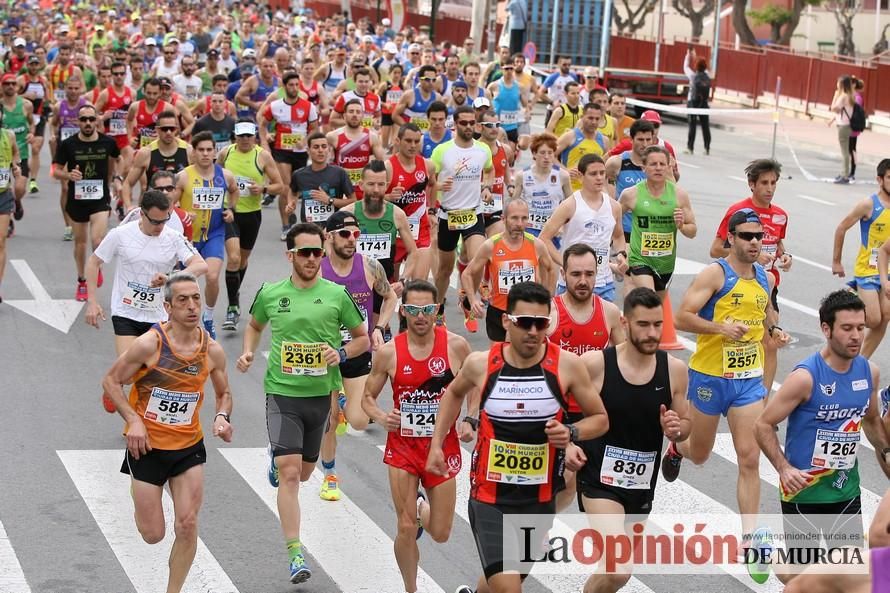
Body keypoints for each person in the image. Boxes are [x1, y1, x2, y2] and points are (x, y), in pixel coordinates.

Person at [428, 281, 609, 593]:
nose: (533, 332)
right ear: (506, 321)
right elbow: (452, 395)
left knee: (507, 580)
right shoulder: (481, 363)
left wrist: (571, 433)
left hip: (538, 499)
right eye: (525, 323)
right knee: (509, 587)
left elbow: (600, 418)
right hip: (489, 496)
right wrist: (436, 444)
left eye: (541, 324)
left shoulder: (567, 365)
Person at [237, 223, 369, 584]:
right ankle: (295, 553)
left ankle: (280, 460)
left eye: (316, 252)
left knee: (307, 472)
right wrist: (249, 350)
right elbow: (253, 325)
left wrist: (339, 353)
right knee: (291, 474)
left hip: (320, 398)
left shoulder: (336, 295)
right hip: (282, 394)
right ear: (290, 255)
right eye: (304, 253)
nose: (312, 259)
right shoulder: (270, 293)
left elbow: (363, 340)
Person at [662, 208, 791, 541]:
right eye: (746, 236)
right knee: (700, 453)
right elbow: (681, 318)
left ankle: (749, 536)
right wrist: (721, 328)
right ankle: (677, 449)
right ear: (731, 238)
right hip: (709, 378)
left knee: (749, 457)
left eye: (758, 236)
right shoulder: (714, 275)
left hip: (747, 381)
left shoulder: (766, 277)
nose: (754, 242)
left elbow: (766, 310)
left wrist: (774, 330)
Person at [100, 273, 233, 593]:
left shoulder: (212, 350)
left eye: (196, 298)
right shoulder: (150, 344)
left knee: (187, 524)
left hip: (188, 447)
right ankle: (139, 489)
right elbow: (111, 381)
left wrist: (221, 417)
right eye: (183, 300)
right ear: (168, 307)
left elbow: (224, 392)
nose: (192, 306)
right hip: (146, 448)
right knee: (153, 534)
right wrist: (133, 420)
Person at [754, 290, 890, 584]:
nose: (856, 336)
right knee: (803, 580)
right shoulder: (805, 378)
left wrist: (887, 452)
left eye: (860, 328)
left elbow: (870, 421)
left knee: (848, 578)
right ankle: (768, 552)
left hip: (845, 492)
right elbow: (763, 425)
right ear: (826, 329)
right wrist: (784, 468)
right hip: (803, 493)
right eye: (847, 328)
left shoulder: (870, 373)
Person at [576, 287, 690, 593]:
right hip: (598, 481)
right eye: (643, 325)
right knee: (619, 567)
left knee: (615, 573)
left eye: (657, 324)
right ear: (625, 323)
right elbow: (565, 410)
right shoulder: (596, 364)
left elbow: (686, 426)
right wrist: (571, 443)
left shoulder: (675, 371)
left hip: (640, 485)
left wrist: (676, 429)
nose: (652, 333)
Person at [362, 279, 472, 593]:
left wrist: (471, 418)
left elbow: (476, 382)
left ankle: (423, 506)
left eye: (427, 309)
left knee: (440, 532)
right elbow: (367, 397)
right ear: (404, 310)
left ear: (437, 310)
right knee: (406, 526)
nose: (420, 316)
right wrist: (384, 417)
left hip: (442, 447)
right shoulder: (389, 353)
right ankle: (411, 589)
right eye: (413, 309)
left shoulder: (455, 346)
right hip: (403, 448)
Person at [86, 188, 207, 412]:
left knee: (152, 371)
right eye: (155, 221)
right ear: (142, 214)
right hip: (126, 312)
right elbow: (94, 262)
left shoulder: (172, 237)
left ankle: (140, 419)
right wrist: (92, 302)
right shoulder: (120, 235)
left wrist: (171, 278)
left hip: (159, 316)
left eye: (165, 220)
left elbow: (201, 265)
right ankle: (113, 383)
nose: (160, 227)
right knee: (131, 374)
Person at [317, 209, 398, 500]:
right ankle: (329, 475)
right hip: (324, 354)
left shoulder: (369, 266)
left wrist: (380, 327)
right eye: (345, 234)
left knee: (360, 421)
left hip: (357, 348)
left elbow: (390, 297)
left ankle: (342, 400)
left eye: (356, 234)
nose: (352, 240)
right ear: (329, 237)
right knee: (329, 419)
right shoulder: (316, 268)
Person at [712, 159, 791, 397]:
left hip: (767, 286)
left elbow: (778, 245)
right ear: (751, 184)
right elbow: (715, 249)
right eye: (764, 183)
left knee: (771, 343)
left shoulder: (780, 216)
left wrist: (785, 256)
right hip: (737, 285)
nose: (769, 188)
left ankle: (763, 403)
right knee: (738, 341)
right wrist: (751, 257)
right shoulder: (738, 212)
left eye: (773, 183)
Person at [169, 131, 239, 339]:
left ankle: (208, 317)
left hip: (214, 233)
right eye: (201, 150)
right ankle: (176, 321)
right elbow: (171, 204)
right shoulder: (183, 177)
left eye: (210, 150)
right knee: (182, 282)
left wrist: (230, 209)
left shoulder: (225, 175)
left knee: (212, 275)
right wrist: (183, 213)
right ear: (194, 152)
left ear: (215, 152)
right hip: (187, 238)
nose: (206, 154)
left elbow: (234, 191)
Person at [217, 119, 286, 331]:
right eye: (241, 136)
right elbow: (214, 177)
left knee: (243, 259)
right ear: (235, 136)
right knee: (234, 258)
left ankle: (234, 291)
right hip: (231, 212)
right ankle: (233, 306)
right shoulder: (226, 154)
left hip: (252, 214)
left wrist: (263, 189)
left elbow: (280, 185)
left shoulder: (262, 155)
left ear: (254, 136)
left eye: (249, 136)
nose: (245, 140)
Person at [430, 105, 494, 326]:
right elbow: (430, 181)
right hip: (448, 215)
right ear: (455, 124)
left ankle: (469, 300)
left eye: (471, 123)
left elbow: (490, 170)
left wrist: (486, 187)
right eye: (463, 123)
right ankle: (437, 309)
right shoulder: (442, 151)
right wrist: (438, 185)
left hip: (473, 214)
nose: (468, 127)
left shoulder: (483, 149)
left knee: (479, 261)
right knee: (444, 269)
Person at [52, 104, 121, 301]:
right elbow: (55, 170)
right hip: (77, 200)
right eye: (84, 120)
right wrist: (67, 174)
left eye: (91, 119)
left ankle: (95, 266)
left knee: (98, 240)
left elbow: (119, 159)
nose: (88, 123)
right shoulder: (68, 144)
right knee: (81, 243)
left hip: (100, 198)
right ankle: (82, 279)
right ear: (78, 122)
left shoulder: (108, 142)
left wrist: (116, 178)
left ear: (97, 120)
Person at [461, 198, 555, 342]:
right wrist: (473, 300)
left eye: (524, 218)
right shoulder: (491, 246)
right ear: (503, 219)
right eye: (514, 218)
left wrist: (548, 298)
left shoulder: (536, 245)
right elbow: (467, 274)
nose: (519, 223)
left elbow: (550, 269)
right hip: (499, 312)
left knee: (527, 358)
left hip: (528, 313)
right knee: (498, 359)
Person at [541, 153, 627, 302]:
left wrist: (621, 254)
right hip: (572, 283)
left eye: (602, 173)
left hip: (603, 283)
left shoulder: (614, 206)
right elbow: (544, 238)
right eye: (593, 174)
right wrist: (565, 263)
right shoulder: (570, 205)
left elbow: (618, 236)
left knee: (603, 325)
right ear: (581, 176)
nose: (599, 178)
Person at [619, 146, 696, 298]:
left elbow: (692, 231)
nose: (658, 168)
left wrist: (681, 226)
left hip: (665, 263)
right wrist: (620, 247)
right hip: (639, 259)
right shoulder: (631, 194)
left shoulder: (679, 195)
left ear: (669, 167)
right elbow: (612, 219)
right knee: (650, 297)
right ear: (643, 168)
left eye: (662, 164)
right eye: (653, 164)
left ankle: (631, 319)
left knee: (655, 312)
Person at [257, 71, 319, 240]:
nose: (294, 88)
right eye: (290, 85)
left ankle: (293, 213)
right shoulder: (275, 105)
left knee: (297, 188)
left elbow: (314, 128)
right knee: (285, 187)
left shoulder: (308, 106)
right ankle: (286, 225)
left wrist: (305, 140)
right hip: (281, 150)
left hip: (300, 152)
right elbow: (262, 125)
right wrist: (264, 142)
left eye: (296, 85)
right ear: (284, 87)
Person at [386, 123, 437, 284]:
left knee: (418, 284)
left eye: (416, 141)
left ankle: (415, 307)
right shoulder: (388, 167)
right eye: (408, 141)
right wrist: (388, 197)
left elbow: (433, 185)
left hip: (419, 229)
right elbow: (373, 196)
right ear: (397, 141)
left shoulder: (428, 165)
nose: (413, 145)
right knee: (392, 286)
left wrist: (431, 210)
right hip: (394, 230)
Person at [121, 110, 191, 212]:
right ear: (157, 130)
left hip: (181, 210)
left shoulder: (189, 151)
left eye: (172, 129)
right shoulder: (146, 153)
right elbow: (128, 183)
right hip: (155, 209)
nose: (168, 132)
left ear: (177, 129)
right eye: (164, 129)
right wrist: (128, 206)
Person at [286, 131, 355, 232]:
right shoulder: (299, 174)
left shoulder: (339, 173)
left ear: (329, 150)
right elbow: (292, 192)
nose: (320, 150)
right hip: (308, 229)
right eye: (316, 147)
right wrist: (290, 204)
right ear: (308, 150)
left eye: (324, 146)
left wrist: (329, 200)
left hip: (334, 228)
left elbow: (353, 200)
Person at [510, 133, 572, 241]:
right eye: (542, 153)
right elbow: (513, 204)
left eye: (550, 153)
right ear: (534, 154)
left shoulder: (563, 176)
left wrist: (562, 226)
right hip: (529, 229)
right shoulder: (522, 175)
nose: (546, 157)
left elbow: (571, 205)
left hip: (553, 230)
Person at [326, 98, 386, 200]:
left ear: (362, 116)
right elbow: (325, 164)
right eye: (351, 111)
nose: (354, 115)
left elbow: (381, 165)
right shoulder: (332, 136)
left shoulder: (372, 137)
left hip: (362, 187)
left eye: (358, 112)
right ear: (344, 116)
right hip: (341, 187)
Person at [605, 119, 655, 242]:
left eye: (648, 140)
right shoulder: (617, 162)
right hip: (624, 228)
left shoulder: (658, 166)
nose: (645, 144)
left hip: (650, 230)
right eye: (640, 139)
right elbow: (602, 186)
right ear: (631, 140)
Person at [556, 102, 607, 193]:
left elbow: (606, 165)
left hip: (593, 191)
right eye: (590, 118)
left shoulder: (604, 140)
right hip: (570, 190)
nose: (594, 122)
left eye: (597, 119)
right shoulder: (570, 136)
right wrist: (565, 170)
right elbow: (550, 156)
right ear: (582, 117)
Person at [0, 121, 22, 301]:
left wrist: (15, 165)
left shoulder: (9, 135)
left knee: (0, 241)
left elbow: (15, 152)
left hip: (3, 194)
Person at [683, 51, 711, 155]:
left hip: (693, 103)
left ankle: (690, 148)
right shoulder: (707, 76)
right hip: (704, 103)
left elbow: (685, 67)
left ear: (696, 66)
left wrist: (688, 56)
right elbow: (704, 67)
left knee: (692, 126)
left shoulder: (692, 76)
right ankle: (707, 148)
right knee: (705, 126)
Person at [829, 75, 855, 184]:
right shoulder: (850, 95)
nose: (837, 84)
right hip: (847, 125)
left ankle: (844, 175)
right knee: (845, 151)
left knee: (844, 152)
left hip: (843, 126)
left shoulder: (843, 96)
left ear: (842, 84)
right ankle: (844, 173)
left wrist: (835, 95)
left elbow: (833, 108)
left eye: (838, 83)